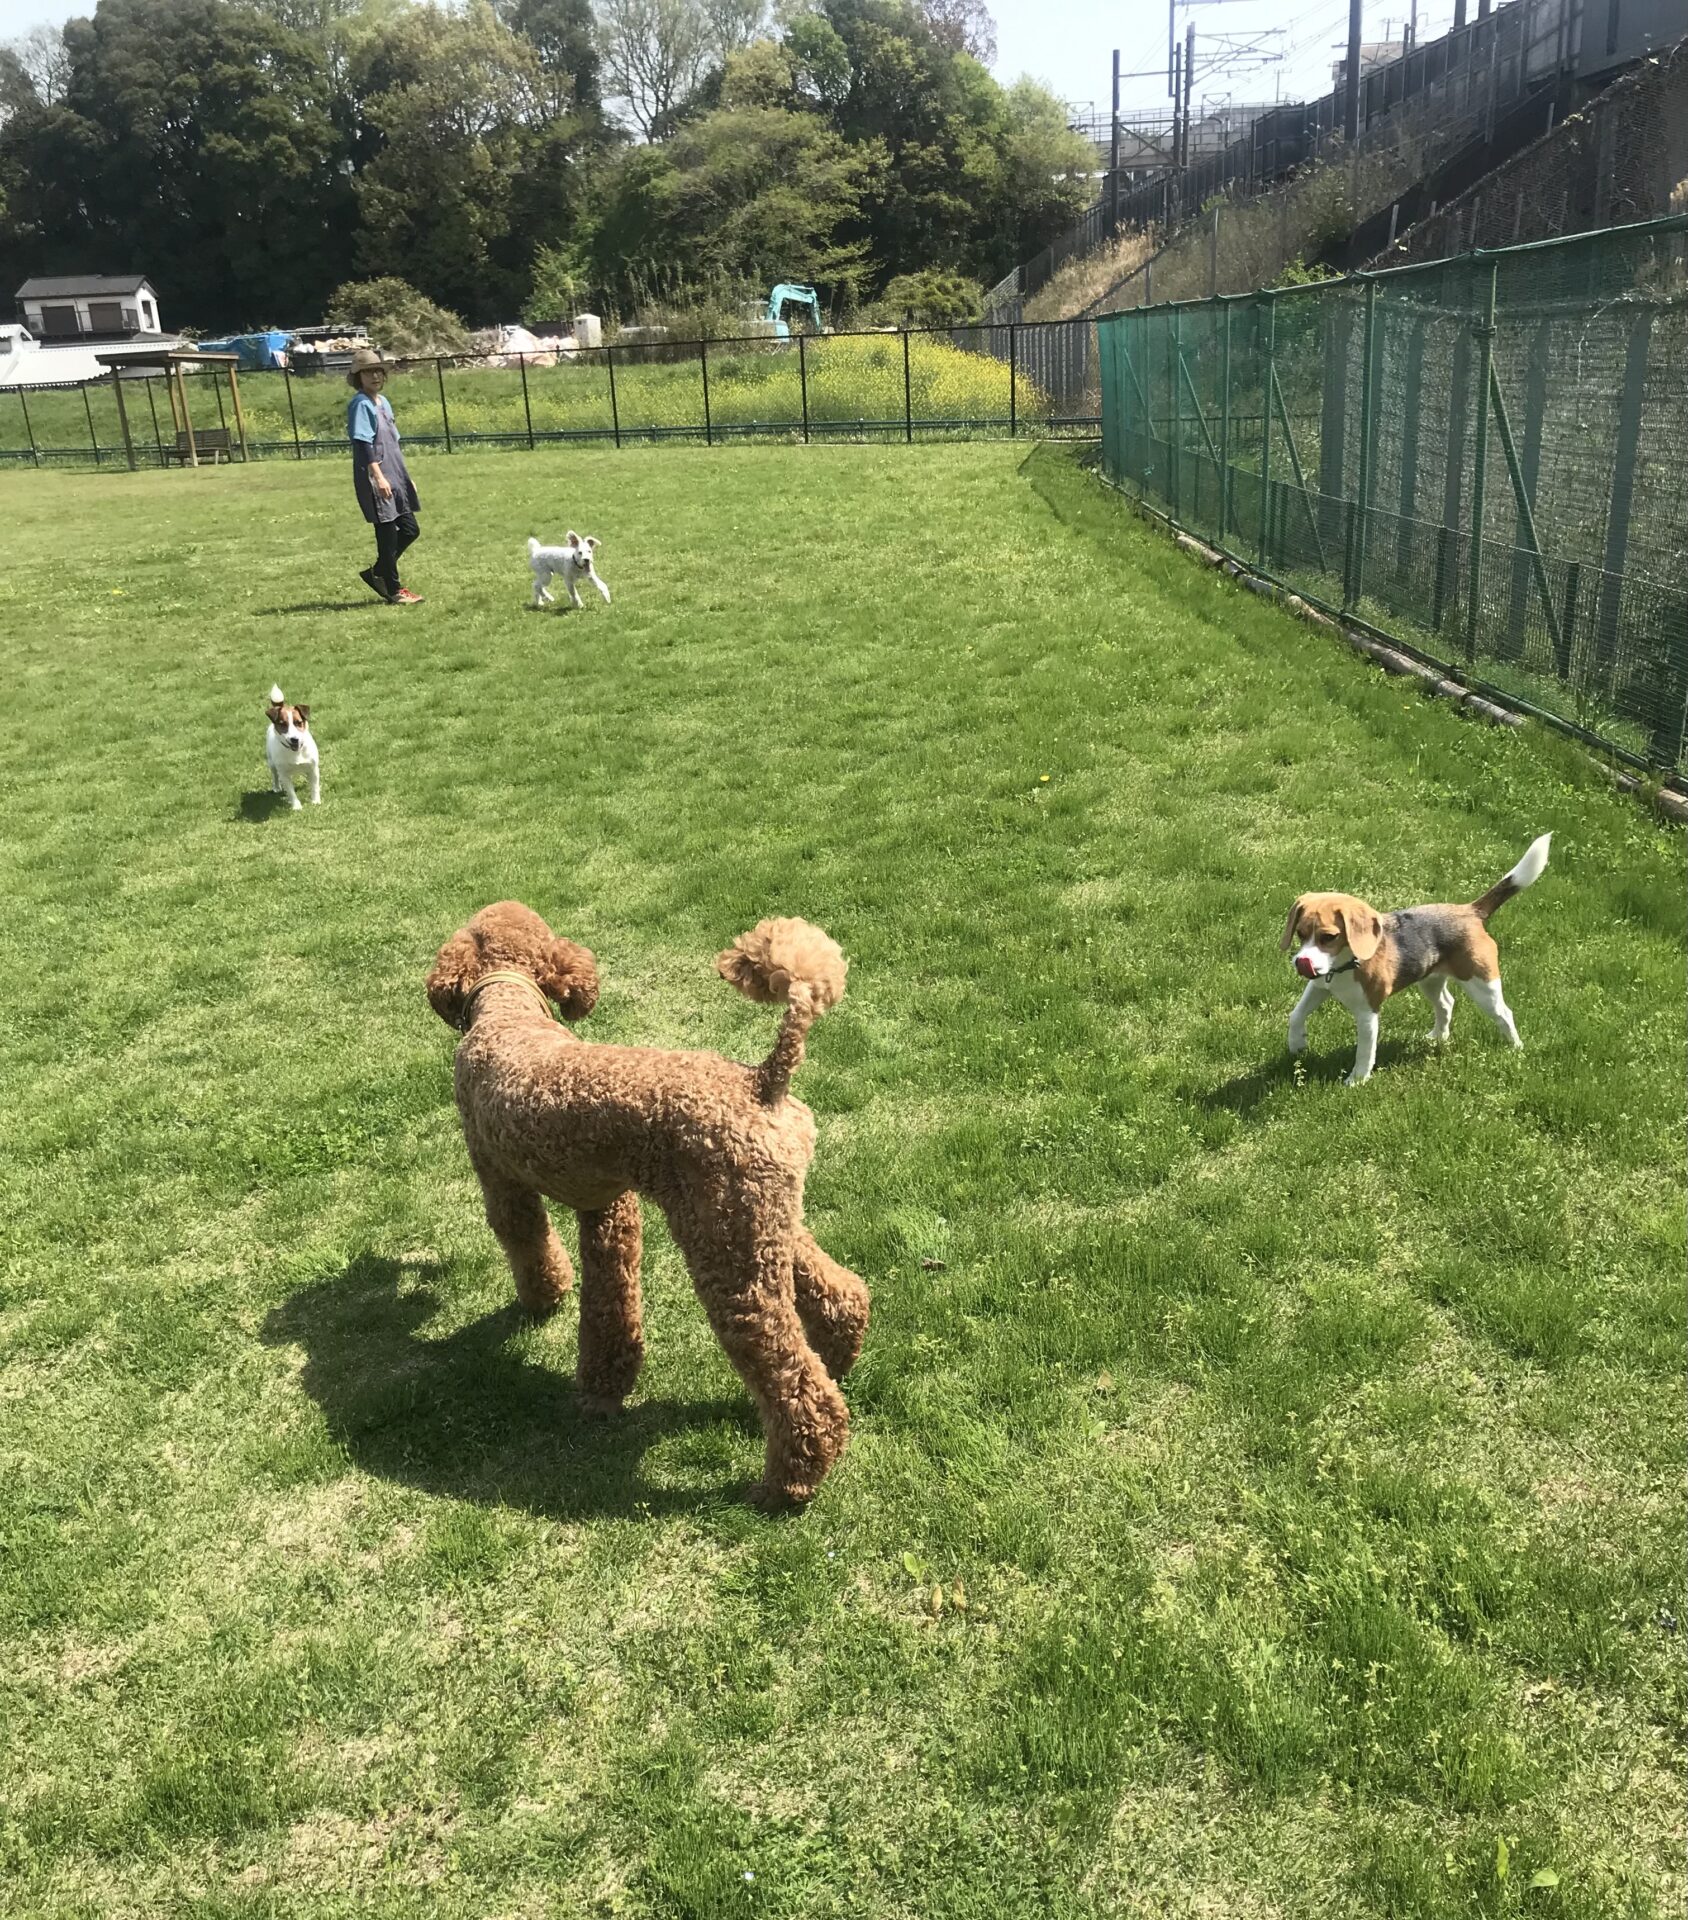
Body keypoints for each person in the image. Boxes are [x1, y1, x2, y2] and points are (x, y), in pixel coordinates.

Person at [345, 348, 423, 605]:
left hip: (395, 473)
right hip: (376, 476)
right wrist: (378, 477)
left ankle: (378, 572)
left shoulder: (383, 402)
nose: (375, 376)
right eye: (368, 372)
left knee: (410, 529)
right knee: (387, 534)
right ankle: (394, 590)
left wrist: (405, 477)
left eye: (378, 370)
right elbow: (363, 443)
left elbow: (393, 442)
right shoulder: (360, 404)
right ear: (358, 377)